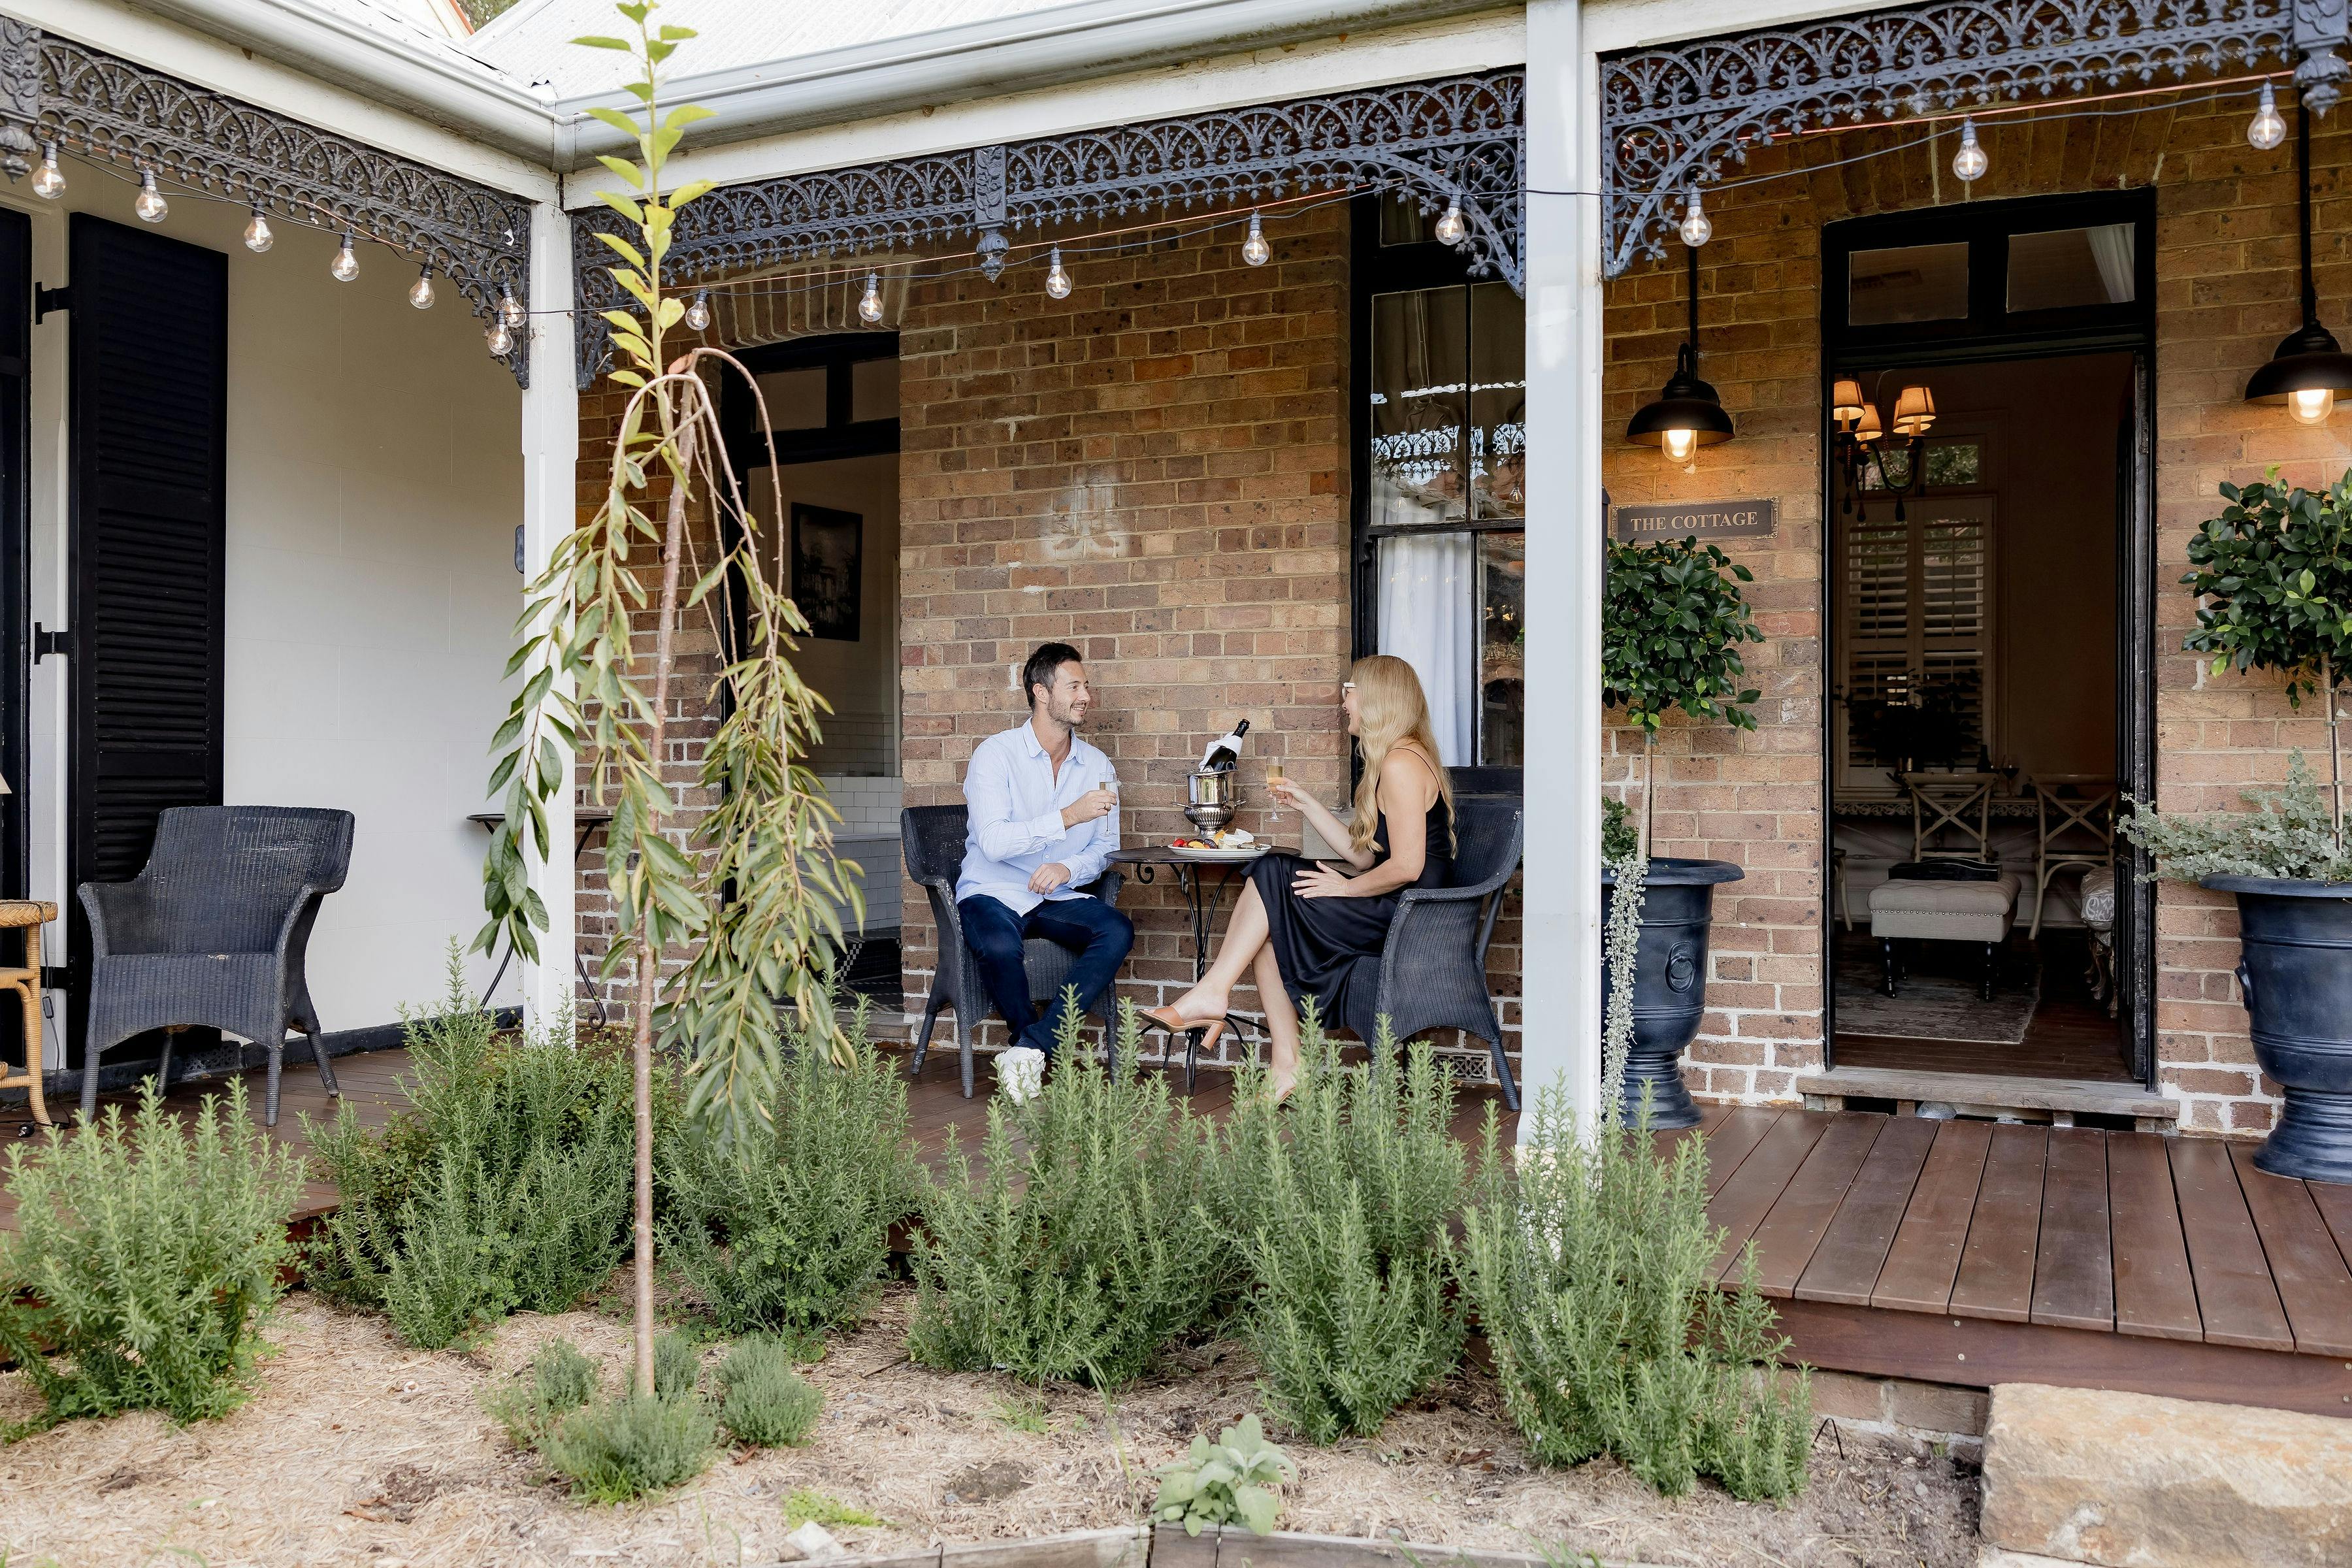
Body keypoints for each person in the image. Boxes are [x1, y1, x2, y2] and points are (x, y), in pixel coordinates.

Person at [1141, 653, 1454, 1100]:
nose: (1344, 702)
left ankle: (1216, 996)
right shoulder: (1398, 758)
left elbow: (1407, 867)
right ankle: (1285, 1064)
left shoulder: (1402, 765)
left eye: (1350, 691)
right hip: (1398, 906)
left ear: (1378, 699)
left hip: (1411, 919)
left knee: (1273, 872)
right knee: (1272, 917)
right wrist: (1307, 803)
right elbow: (1368, 859)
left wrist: (1344, 888)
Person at [955, 642, 1134, 1058]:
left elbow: (1107, 849)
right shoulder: (995, 755)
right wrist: (1068, 816)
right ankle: (1025, 1041)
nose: (1085, 696)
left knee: (1117, 929)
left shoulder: (1098, 766)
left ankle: (1033, 1049)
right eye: (1073, 687)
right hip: (992, 890)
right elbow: (995, 843)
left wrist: (1067, 869)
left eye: (1085, 686)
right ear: (1041, 692)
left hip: (1053, 895)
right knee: (999, 945)